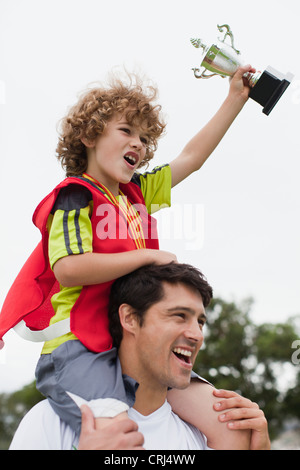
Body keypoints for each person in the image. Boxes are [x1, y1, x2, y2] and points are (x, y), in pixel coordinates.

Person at [0, 64, 257, 437]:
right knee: (116, 435)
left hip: (134, 344)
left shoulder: (137, 194)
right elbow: (69, 268)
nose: (139, 143)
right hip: (79, 346)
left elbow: (192, 158)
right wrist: (148, 256)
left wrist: (235, 98)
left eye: (144, 138)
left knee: (232, 426)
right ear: (89, 136)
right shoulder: (74, 197)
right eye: (126, 131)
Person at [10, 263, 270, 450]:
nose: (196, 335)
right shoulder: (49, 421)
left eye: (200, 322)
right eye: (179, 316)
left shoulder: (203, 433)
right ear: (130, 318)